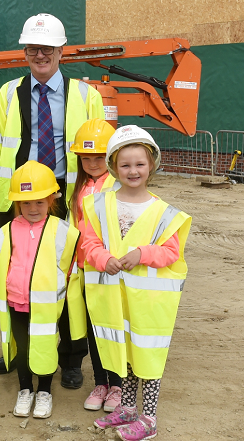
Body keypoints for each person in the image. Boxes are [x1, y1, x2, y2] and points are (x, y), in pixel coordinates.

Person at [0, 13, 104, 386]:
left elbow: (98, 150)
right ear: (25, 52)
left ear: (60, 51)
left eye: (47, 49)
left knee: (68, 281)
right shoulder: (8, 93)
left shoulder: (87, 95)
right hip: (21, 201)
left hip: (68, 198)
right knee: (17, 280)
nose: (40, 55)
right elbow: (5, 145)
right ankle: (18, 354)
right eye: (33, 48)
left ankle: (70, 358)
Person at [82, 125, 191, 441]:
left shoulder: (163, 213)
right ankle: (128, 410)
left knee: (148, 359)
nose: (133, 171)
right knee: (126, 357)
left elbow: (171, 253)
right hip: (116, 301)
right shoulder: (100, 204)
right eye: (125, 164)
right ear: (113, 167)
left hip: (148, 306)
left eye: (139, 164)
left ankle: (149, 419)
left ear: (152, 165)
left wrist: (142, 253)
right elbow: (89, 243)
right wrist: (104, 259)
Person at [0, 161, 82, 419]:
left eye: (39, 202)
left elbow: (72, 263)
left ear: (52, 199)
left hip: (47, 305)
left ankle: (45, 392)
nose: (32, 208)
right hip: (17, 302)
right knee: (24, 348)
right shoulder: (7, 230)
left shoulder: (62, 231)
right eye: (26, 203)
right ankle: (25, 389)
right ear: (17, 204)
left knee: (46, 346)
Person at [66, 119, 123, 412]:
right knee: (93, 329)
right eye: (85, 157)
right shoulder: (80, 188)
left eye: (99, 157)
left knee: (113, 327)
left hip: (111, 269)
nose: (92, 162)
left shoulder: (117, 186)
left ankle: (118, 386)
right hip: (86, 270)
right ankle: (101, 382)